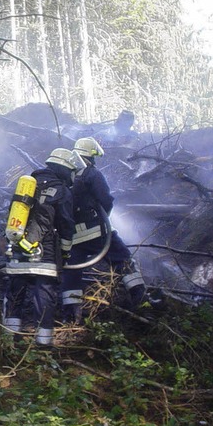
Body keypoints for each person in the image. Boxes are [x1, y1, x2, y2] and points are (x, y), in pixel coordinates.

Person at [60, 137, 148, 323]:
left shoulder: (65, 174)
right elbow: (106, 200)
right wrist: (101, 219)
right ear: (91, 155)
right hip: (98, 233)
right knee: (123, 259)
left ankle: (70, 315)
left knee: (71, 273)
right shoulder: (92, 173)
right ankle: (141, 300)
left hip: (73, 238)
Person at [2, 148, 84, 346]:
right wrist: (64, 253)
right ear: (64, 169)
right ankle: (43, 344)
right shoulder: (62, 191)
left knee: (15, 294)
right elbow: (66, 225)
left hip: (17, 249)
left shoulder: (27, 184)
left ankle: (9, 340)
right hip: (44, 254)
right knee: (44, 297)